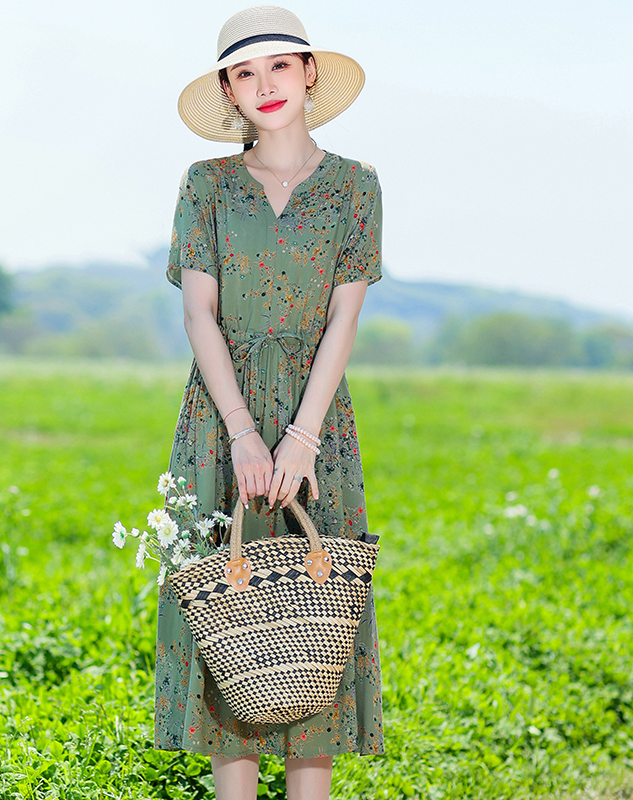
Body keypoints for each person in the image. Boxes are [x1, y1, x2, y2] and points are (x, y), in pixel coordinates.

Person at [154, 6, 385, 799]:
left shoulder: (356, 186)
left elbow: (344, 318)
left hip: (318, 419)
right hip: (221, 419)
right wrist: (248, 436)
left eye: (280, 66)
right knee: (234, 617)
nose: (265, 85)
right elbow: (198, 316)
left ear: (309, 72)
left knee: (312, 611)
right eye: (245, 74)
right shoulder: (206, 185)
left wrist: (300, 439)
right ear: (230, 90)